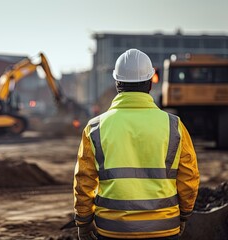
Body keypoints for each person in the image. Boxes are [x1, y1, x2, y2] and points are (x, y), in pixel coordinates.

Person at [73, 49, 200, 240]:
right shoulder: (174, 126)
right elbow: (188, 177)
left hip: (112, 229)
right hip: (164, 227)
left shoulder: (95, 128)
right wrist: (184, 214)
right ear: (150, 83)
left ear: (117, 83)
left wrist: (83, 222)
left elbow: (84, 180)